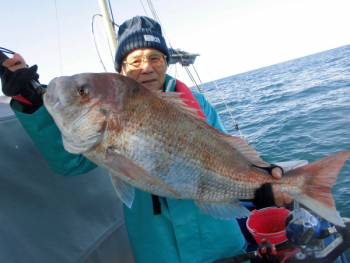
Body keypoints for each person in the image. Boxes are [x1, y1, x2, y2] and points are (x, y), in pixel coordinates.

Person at [1, 16, 290, 263]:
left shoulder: (197, 105)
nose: (146, 67)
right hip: (158, 253)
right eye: (135, 60)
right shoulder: (106, 119)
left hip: (221, 246)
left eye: (155, 58)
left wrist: (262, 175)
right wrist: (30, 100)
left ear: (166, 63)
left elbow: (226, 151)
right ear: (122, 70)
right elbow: (67, 162)